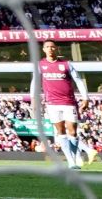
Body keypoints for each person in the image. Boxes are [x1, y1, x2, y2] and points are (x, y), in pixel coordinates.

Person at [29, 40, 90, 170]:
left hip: (69, 102)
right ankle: (71, 161)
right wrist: (33, 99)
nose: (50, 49)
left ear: (56, 49)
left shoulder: (66, 64)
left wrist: (85, 98)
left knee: (72, 132)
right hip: (52, 103)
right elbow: (34, 82)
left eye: (52, 47)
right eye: (47, 47)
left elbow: (78, 80)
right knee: (60, 131)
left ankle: (74, 157)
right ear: (44, 50)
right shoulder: (40, 65)